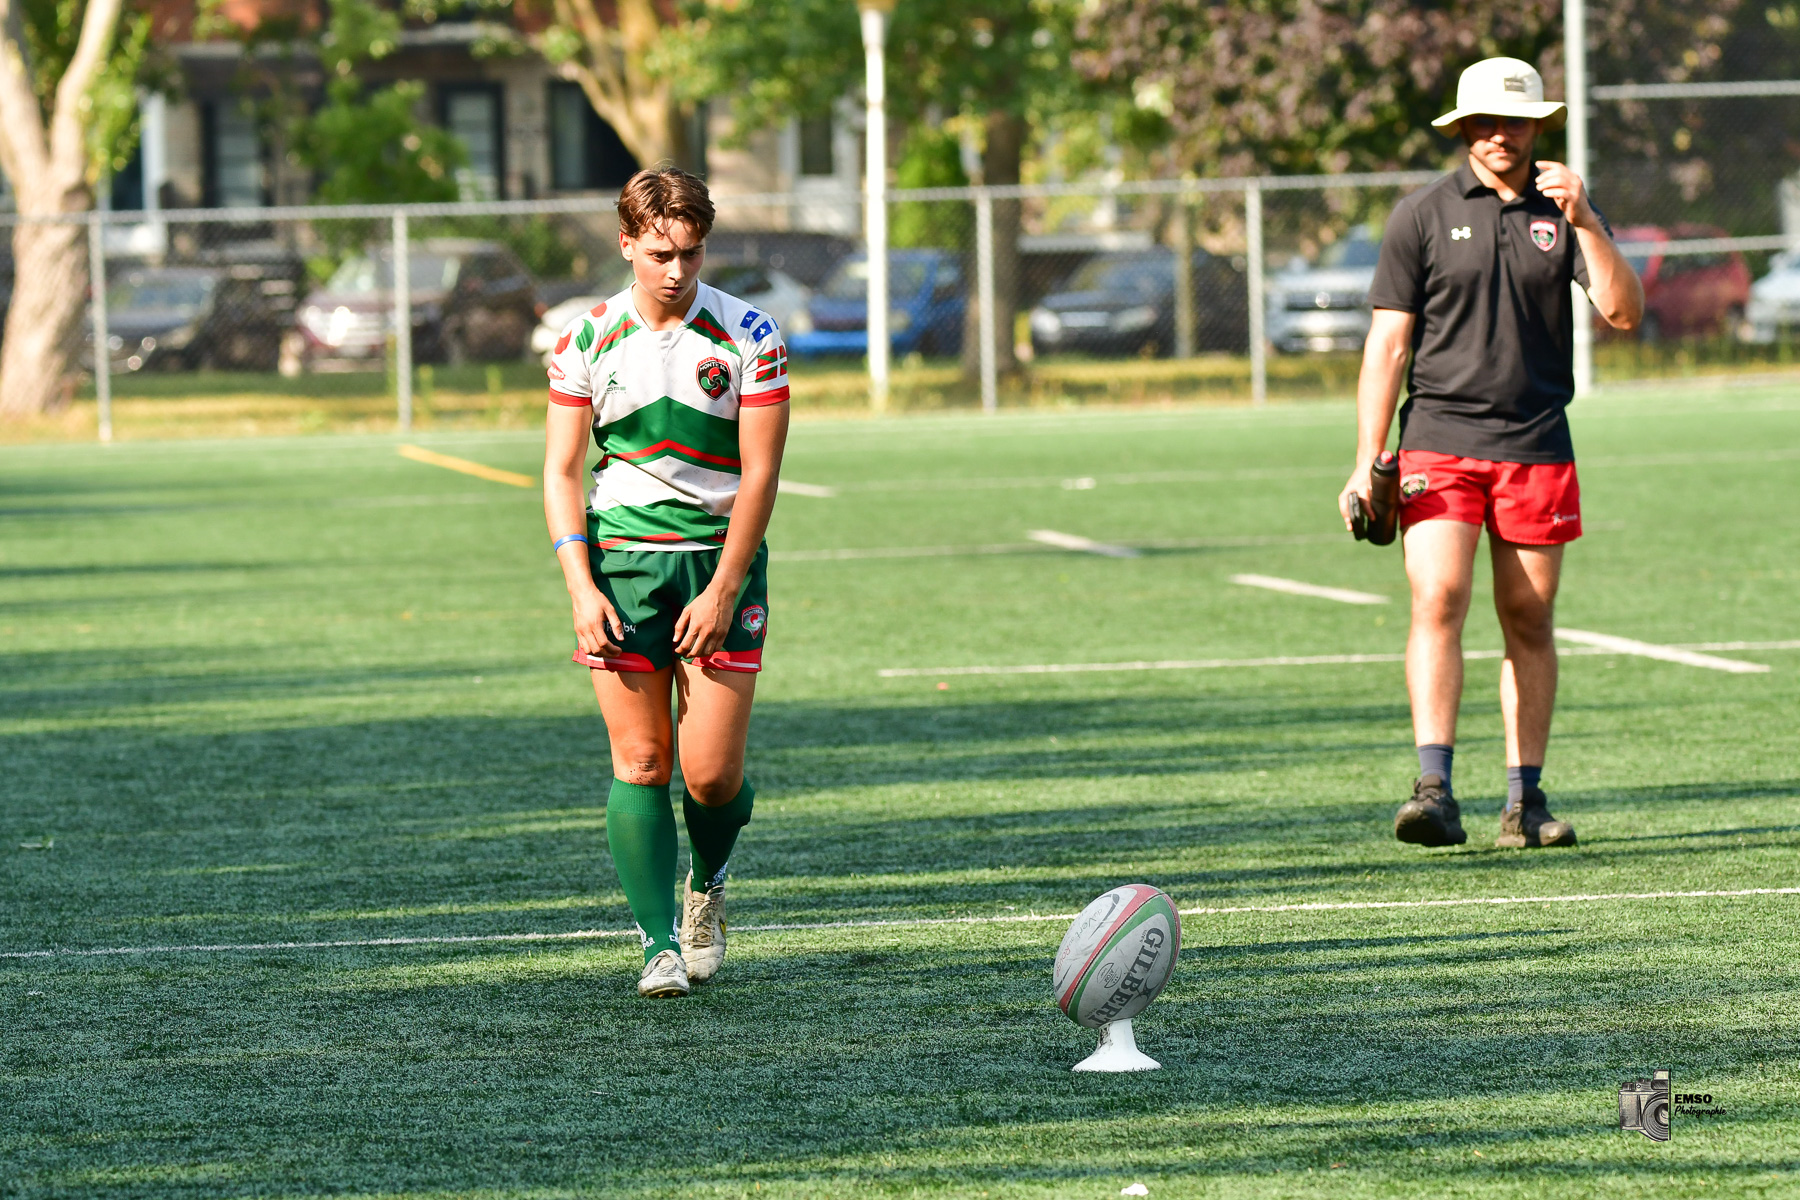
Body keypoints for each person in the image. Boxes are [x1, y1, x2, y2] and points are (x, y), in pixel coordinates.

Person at [1339, 58, 1644, 849]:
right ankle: (1434, 789)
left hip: (1539, 443)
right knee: (1437, 597)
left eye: (1512, 121)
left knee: (1529, 618)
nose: (1497, 135)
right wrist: (1367, 456)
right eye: (1482, 122)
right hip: (1438, 439)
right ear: (1463, 128)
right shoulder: (1422, 214)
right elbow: (1388, 347)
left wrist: (1586, 222)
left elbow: (1622, 311)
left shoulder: (1565, 210)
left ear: (1537, 125)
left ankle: (1525, 802)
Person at [543, 167, 790, 996]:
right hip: (622, 565)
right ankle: (657, 945)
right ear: (626, 246)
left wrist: (724, 589)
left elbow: (759, 475)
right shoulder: (586, 339)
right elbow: (561, 469)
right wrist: (582, 586)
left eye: (690, 253)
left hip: (719, 562)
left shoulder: (751, 334)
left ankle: (706, 886)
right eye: (658, 254)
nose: (676, 271)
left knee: (710, 776)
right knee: (642, 760)